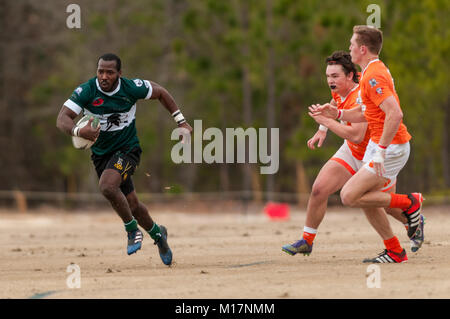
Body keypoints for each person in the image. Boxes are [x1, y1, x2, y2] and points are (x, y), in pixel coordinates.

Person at [56, 53, 192, 266]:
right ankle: (158, 235)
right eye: (100, 71)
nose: (104, 76)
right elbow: (61, 118)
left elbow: (161, 92)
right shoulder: (87, 91)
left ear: (119, 73)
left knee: (107, 187)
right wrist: (77, 130)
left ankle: (132, 231)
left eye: (109, 72)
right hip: (101, 155)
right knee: (132, 204)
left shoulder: (131, 88)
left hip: (128, 150)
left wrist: (181, 122)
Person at [282, 51, 416, 258]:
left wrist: (328, 123)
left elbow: (355, 134)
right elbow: (334, 105)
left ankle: (411, 220)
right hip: (351, 151)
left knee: (378, 204)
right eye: (328, 76)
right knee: (318, 189)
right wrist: (322, 130)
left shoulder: (360, 95)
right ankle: (306, 241)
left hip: (373, 156)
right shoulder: (340, 90)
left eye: (334, 76)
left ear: (350, 76)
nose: (330, 81)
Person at [309, 26, 425, 263]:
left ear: (362, 49)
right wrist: (337, 112)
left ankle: (411, 203)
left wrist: (381, 151)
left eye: (352, 44)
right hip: (383, 145)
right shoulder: (369, 71)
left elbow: (395, 114)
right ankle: (394, 250)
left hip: (390, 147)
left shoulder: (373, 76)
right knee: (366, 199)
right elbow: (366, 112)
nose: (349, 47)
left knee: (349, 196)